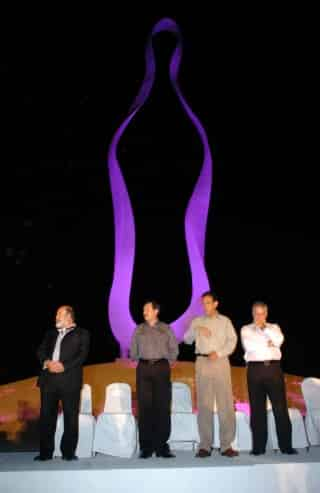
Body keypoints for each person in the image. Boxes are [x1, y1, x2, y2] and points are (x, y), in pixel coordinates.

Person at [184, 291, 239, 458]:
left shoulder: (225, 321)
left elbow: (232, 341)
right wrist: (196, 329)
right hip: (202, 363)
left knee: (225, 404)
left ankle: (226, 445)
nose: (205, 306)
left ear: (216, 303)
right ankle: (205, 446)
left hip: (221, 362)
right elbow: (186, 339)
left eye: (208, 302)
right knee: (204, 404)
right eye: (203, 303)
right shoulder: (197, 321)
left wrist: (220, 353)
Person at [240, 301, 297, 455]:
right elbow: (250, 346)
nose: (259, 316)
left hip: (273, 368)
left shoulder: (274, 328)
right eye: (256, 313)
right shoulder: (246, 329)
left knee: (280, 409)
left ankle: (286, 446)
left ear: (266, 314)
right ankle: (258, 447)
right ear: (252, 313)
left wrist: (266, 331)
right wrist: (268, 343)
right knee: (257, 410)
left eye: (262, 313)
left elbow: (279, 341)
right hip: (255, 370)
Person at [35, 305, 90, 461]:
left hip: (70, 381)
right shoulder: (50, 334)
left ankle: (68, 453)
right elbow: (40, 350)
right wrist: (47, 362)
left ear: (69, 316)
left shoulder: (82, 333)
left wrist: (63, 366)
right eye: (56, 314)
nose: (56, 316)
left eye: (59, 314)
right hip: (49, 381)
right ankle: (45, 453)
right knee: (46, 417)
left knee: (71, 418)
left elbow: (82, 355)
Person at [130, 300, 179, 458]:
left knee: (162, 407)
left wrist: (166, 362)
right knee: (144, 408)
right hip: (143, 368)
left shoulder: (166, 328)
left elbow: (174, 349)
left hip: (161, 367)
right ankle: (146, 447)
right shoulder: (139, 329)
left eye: (147, 309)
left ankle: (162, 447)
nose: (144, 312)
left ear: (156, 311)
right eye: (143, 309)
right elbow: (133, 351)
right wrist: (138, 359)